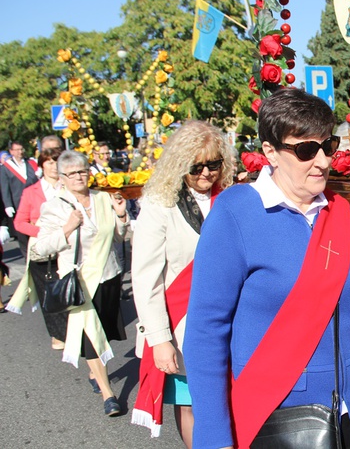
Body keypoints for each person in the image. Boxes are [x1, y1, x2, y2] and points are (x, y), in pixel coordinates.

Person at [183, 88, 350, 448]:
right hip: (277, 409)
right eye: (306, 149)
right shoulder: (234, 214)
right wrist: (213, 437)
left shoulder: (341, 212)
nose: (322, 161)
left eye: (328, 146)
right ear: (270, 152)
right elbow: (205, 333)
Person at [130, 121, 235, 446]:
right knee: (192, 404)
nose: (206, 173)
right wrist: (159, 340)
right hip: (181, 328)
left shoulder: (231, 199)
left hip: (230, 322)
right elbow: (146, 280)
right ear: (179, 165)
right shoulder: (159, 206)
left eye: (214, 165)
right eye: (196, 166)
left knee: (229, 399)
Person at [31, 150, 131, 417]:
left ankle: (94, 372)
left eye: (82, 170)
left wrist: (121, 217)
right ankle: (109, 395)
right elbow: (38, 249)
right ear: (62, 177)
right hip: (80, 284)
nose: (79, 176)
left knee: (105, 333)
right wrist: (66, 229)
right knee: (91, 339)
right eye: (72, 173)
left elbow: (120, 238)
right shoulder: (54, 206)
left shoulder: (103, 199)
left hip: (108, 277)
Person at [7, 148, 68, 349]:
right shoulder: (31, 192)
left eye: (57, 162)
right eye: (49, 162)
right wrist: (42, 231)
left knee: (70, 287)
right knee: (48, 292)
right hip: (43, 249)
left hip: (68, 246)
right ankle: (57, 333)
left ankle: (74, 329)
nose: (53, 167)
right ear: (41, 166)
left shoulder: (68, 188)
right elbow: (19, 223)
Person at [1, 141, 39, 259]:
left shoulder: (31, 164)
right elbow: (4, 187)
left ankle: (37, 254)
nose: (20, 152)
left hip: (33, 203)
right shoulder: (5, 168)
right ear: (11, 152)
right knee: (22, 234)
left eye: (21, 149)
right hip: (17, 204)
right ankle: (27, 257)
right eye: (17, 150)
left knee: (35, 230)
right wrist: (8, 205)